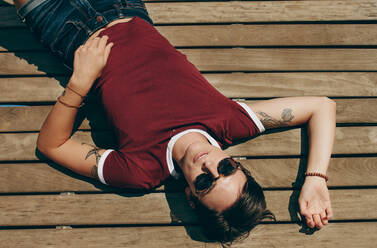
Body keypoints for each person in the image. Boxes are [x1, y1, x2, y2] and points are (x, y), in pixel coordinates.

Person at [14, 0, 335, 244]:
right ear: (235, 162)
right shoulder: (230, 123)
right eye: (225, 169)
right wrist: (315, 178)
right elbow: (321, 106)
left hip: (66, 29)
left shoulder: (141, 170)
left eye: (205, 183)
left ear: (191, 198)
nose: (209, 166)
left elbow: (51, 145)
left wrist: (81, 81)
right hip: (126, 8)